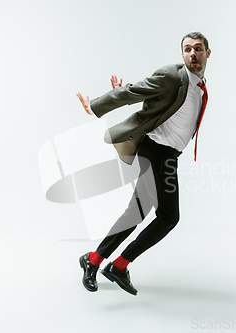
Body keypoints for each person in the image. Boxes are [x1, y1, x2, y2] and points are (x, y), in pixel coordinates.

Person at [76, 32, 211, 296]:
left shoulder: (201, 84)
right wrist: (94, 106)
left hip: (168, 155)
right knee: (169, 217)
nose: (192, 54)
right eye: (187, 49)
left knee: (136, 212)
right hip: (157, 152)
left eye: (198, 48)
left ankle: (93, 260)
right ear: (182, 54)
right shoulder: (173, 76)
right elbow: (133, 92)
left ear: (208, 52)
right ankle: (117, 265)